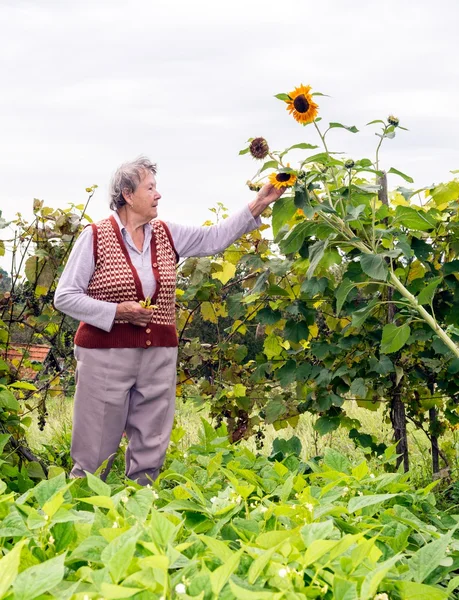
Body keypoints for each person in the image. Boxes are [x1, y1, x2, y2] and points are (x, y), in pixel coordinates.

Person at [54, 156, 284, 485]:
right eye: (151, 188)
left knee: (151, 446)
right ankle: (82, 516)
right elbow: (64, 296)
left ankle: (142, 515)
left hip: (158, 356)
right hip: (105, 356)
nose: (158, 195)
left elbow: (214, 238)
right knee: (94, 450)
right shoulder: (94, 237)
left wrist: (258, 203)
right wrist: (118, 312)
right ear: (128, 195)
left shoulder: (166, 234)